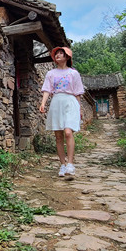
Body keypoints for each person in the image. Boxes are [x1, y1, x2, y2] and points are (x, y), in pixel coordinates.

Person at [39, 46, 84, 177]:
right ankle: (63, 165)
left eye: (61, 53)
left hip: (70, 102)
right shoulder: (50, 74)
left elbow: (78, 92)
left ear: (67, 57)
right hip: (56, 102)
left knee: (68, 132)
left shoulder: (73, 73)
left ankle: (70, 164)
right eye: (56, 54)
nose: (58, 55)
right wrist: (43, 103)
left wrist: (79, 108)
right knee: (58, 136)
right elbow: (47, 89)